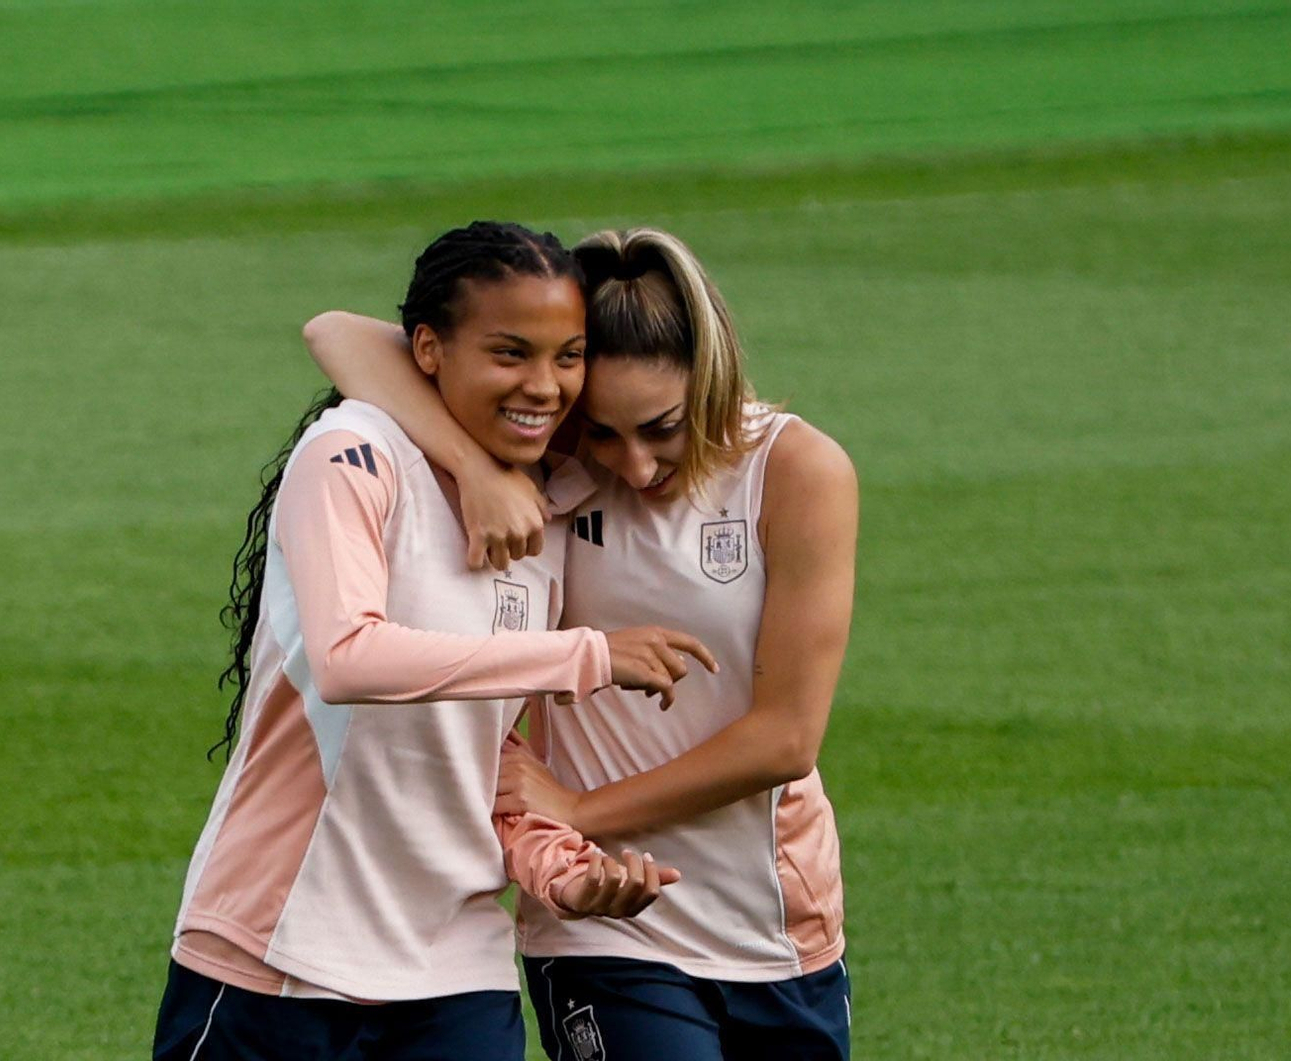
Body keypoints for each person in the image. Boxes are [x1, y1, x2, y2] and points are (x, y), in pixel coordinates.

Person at [154, 222, 710, 1061]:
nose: (545, 385)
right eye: (509, 353)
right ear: (427, 348)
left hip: (455, 971)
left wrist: (568, 870)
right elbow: (351, 658)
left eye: (567, 355)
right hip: (282, 948)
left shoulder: (548, 512)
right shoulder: (352, 456)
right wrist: (588, 655)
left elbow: (481, 760)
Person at [303, 226, 858, 1060]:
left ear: (712, 378)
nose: (633, 465)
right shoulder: (550, 465)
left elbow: (786, 737)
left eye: (663, 428)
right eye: (603, 431)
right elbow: (337, 333)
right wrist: (479, 468)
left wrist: (581, 808)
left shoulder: (794, 470)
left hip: (777, 917)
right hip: (598, 926)